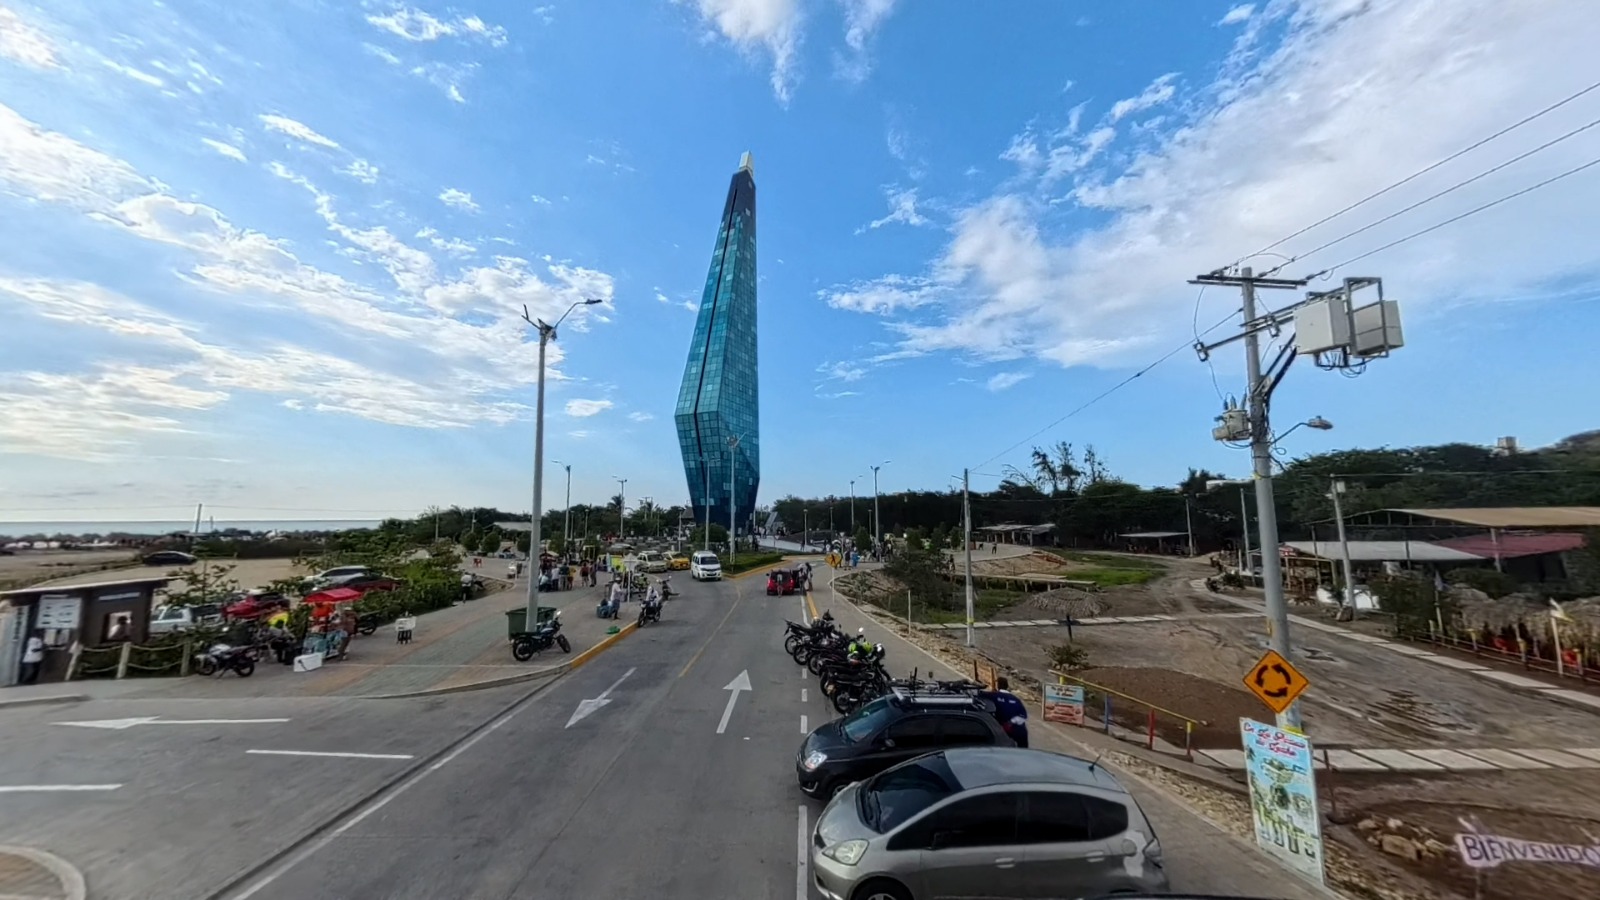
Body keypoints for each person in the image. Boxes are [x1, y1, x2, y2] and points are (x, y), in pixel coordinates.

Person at [982, 677, 1030, 748]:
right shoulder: (1016, 699)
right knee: (1022, 751)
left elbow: (980, 695)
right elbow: (1023, 716)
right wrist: (1012, 722)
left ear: (998, 685)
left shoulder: (993, 696)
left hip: (1000, 731)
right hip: (1019, 731)